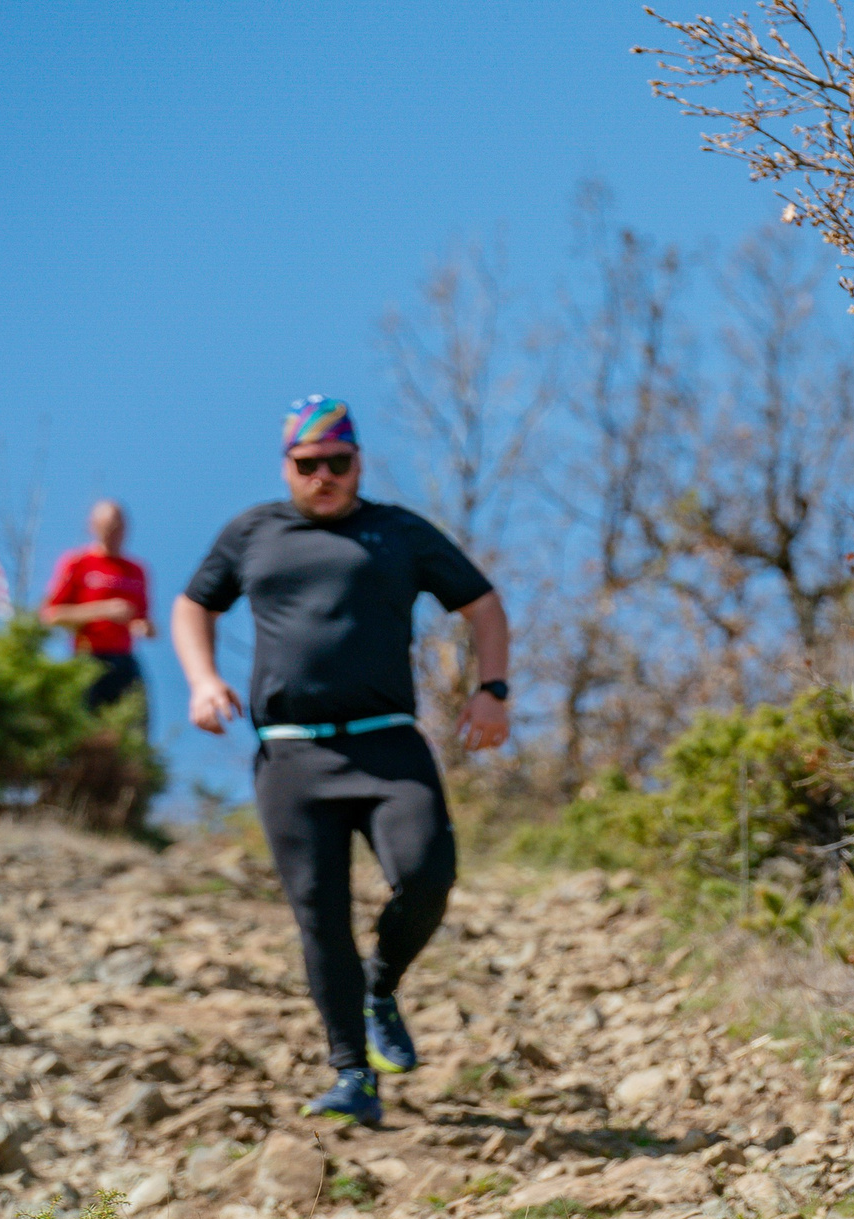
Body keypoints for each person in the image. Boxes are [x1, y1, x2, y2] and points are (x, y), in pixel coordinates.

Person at [173, 395, 512, 1126]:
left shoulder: (398, 532)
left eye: (339, 463)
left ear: (359, 463)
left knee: (428, 874)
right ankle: (352, 1072)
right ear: (287, 466)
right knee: (319, 916)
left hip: (388, 741)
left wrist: (493, 690)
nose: (324, 476)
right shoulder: (252, 533)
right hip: (292, 757)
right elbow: (192, 605)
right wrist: (203, 680)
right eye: (308, 464)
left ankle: (380, 984)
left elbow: (482, 604)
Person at [41, 500, 153, 712]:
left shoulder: (137, 571)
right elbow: (51, 614)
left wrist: (145, 627)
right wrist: (103, 610)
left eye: (118, 527)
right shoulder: (77, 563)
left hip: (125, 660)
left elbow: (143, 619)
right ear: (93, 526)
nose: (113, 532)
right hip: (88, 657)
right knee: (86, 727)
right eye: (107, 526)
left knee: (132, 726)